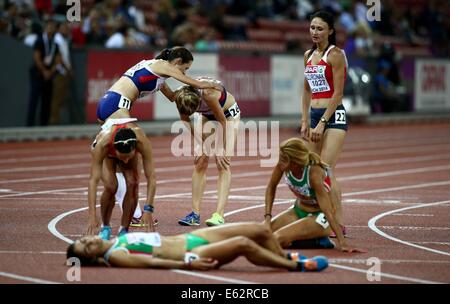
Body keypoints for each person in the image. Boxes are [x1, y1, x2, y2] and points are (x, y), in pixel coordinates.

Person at [68, 222, 328, 272]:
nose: (89, 242)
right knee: (243, 244)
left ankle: (280, 254)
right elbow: (153, 263)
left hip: (194, 237)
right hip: (192, 253)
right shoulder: (116, 255)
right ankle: (293, 265)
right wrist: (186, 263)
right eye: (88, 249)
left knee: (259, 229)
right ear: (95, 258)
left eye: (83, 241)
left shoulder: (116, 238)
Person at [264, 138, 366, 253]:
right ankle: (310, 238)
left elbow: (327, 210)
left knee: (278, 238)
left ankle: (318, 241)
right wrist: (267, 217)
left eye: (283, 159)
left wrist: (342, 242)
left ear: (295, 161)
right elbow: (271, 187)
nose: (279, 161)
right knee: (261, 233)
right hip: (298, 211)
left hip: (319, 216)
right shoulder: (283, 165)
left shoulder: (314, 173)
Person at [300, 10, 348, 237]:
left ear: (330, 31)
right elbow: (306, 90)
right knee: (313, 171)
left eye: (320, 28)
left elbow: (338, 94)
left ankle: (338, 222)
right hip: (314, 116)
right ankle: (320, 217)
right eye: (312, 28)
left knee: (326, 170)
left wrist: (322, 123)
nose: (315, 32)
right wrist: (305, 119)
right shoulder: (307, 55)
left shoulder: (335, 55)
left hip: (333, 115)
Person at [174, 77, 241, 226]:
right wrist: (199, 142)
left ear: (198, 103)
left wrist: (221, 149)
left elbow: (222, 121)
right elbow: (185, 120)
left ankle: (219, 215)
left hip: (228, 115)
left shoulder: (209, 95)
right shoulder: (180, 97)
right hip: (205, 115)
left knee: (223, 162)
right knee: (200, 161)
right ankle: (194, 214)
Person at [95, 46, 222, 123]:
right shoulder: (163, 65)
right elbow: (197, 84)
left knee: (114, 153)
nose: (184, 72)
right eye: (186, 68)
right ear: (178, 61)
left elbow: (172, 97)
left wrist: (186, 91)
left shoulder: (158, 76)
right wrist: (213, 84)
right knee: (137, 143)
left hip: (110, 102)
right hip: (116, 104)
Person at [85, 119, 156, 240]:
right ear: (115, 150)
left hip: (123, 151)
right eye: (122, 158)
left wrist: (148, 209)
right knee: (111, 186)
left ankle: (124, 229)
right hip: (108, 156)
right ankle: (105, 227)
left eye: (129, 157)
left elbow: (151, 178)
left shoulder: (141, 141)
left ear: (135, 148)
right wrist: (92, 215)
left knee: (133, 184)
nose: (125, 161)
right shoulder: (103, 144)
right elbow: (93, 181)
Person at [26, 18, 61, 126]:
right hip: (38, 74)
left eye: (53, 26)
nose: (51, 28)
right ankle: (29, 125)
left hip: (49, 75)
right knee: (34, 99)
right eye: (49, 26)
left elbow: (58, 60)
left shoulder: (55, 44)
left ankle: (44, 125)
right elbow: (36, 57)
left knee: (47, 101)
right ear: (45, 28)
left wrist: (50, 72)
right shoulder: (40, 40)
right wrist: (44, 71)